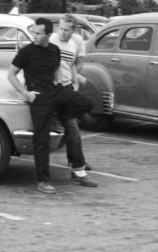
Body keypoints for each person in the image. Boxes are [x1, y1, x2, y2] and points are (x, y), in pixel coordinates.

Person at [7, 17, 96, 194]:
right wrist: (26, 94)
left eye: (39, 34)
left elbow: (57, 70)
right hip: (38, 96)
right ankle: (43, 181)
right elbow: (11, 74)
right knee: (42, 140)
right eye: (34, 32)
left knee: (87, 103)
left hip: (55, 90)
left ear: (47, 34)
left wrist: (62, 88)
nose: (35, 36)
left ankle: (63, 120)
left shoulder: (54, 50)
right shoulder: (26, 51)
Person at [49, 13, 95, 177]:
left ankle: (76, 164)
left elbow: (71, 66)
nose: (62, 32)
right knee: (67, 128)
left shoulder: (73, 45)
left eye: (67, 30)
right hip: (54, 90)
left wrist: (75, 82)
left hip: (67, 89)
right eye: (60, 28)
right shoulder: (51, 41)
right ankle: (77, 164)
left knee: (73, 128)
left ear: (73, 31)